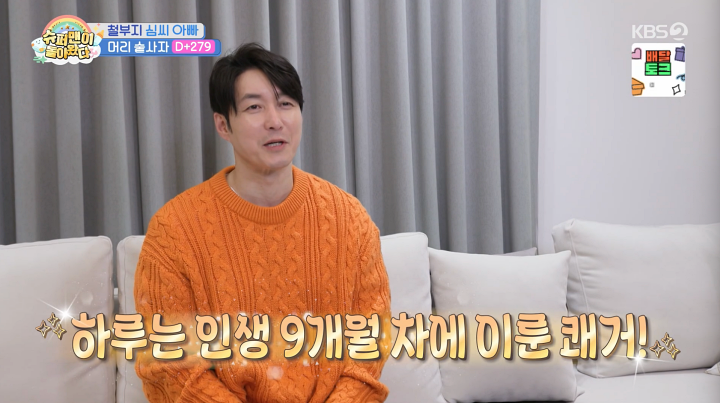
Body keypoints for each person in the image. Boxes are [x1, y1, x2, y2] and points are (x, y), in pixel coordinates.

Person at [134, 42, 391, 402]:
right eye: (254, 107)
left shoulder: (350, 219)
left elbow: (369, 346)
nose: (275, 120)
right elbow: (171, 367)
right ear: (223, 125)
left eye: (286, 103)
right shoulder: (174, 231)